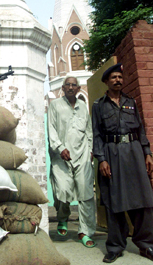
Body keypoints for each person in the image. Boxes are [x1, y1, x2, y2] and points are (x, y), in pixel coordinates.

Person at [92, 63, 153, 263]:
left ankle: (146, 245)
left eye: (120, 77)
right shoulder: (98, 105)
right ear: (106, 82)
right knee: (114, 201)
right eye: (113, 77)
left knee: (143, 199)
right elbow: (97, 135)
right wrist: (101, 159)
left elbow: (141, 129)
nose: (118, 80)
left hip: (134, 152)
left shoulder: (131, 102)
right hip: (112, 153)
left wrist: (147, 152)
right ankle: (115, 246)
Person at [47, 75, 96, 248]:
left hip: (82, 155)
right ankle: (62, 218)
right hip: (61, 156)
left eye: (73, 85)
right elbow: (51, 129)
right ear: (62, 88)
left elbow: (88, 131)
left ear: (78, 88)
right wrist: (60, 148)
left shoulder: (83, 107)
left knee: (86, 193)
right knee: (62, 191)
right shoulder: (55, 106)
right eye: (67, 85)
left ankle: (85, 231)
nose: (70, 87)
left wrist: (90, 150)